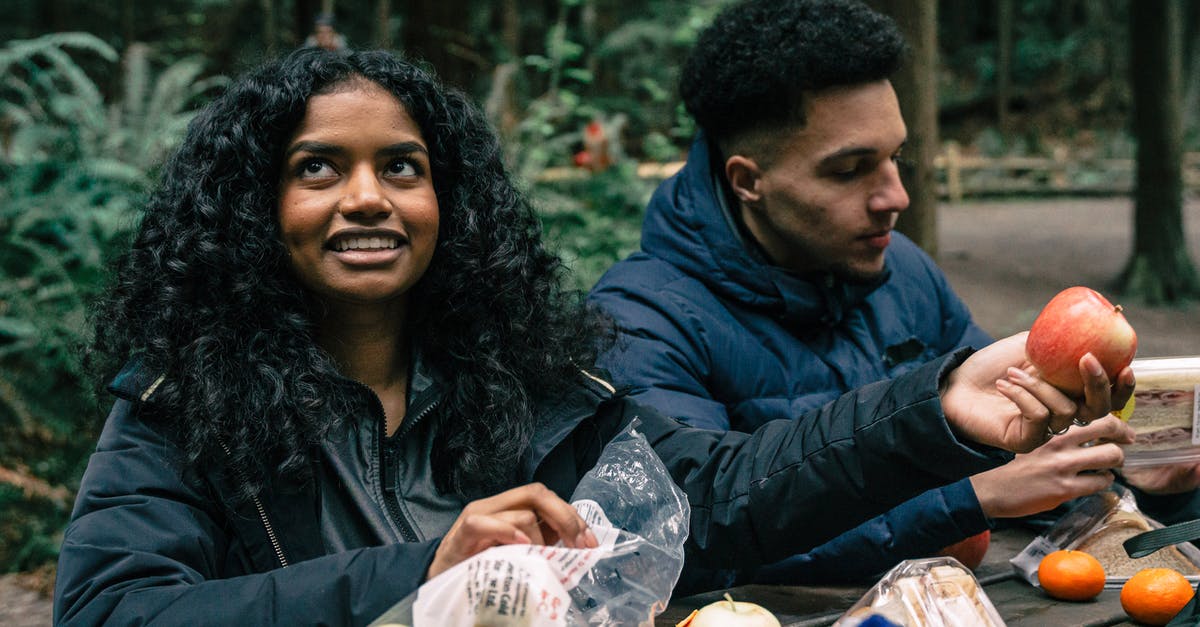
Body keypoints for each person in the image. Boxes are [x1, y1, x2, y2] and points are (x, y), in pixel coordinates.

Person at [52, 47, 1126, 626]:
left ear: (450, 201)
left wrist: (934, 409)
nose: (369, 197)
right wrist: (427, 572)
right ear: (255, 205)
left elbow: (711, 494)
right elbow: (112, 612)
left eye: (405, 167)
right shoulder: (181, 400)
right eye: (319, 167)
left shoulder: (522, 378)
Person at [588, 0, 1160, 588]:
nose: (895, 196)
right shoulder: (638, 324)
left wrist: (1132, 467)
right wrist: (964, 497)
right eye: (850, 170)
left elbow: (1021, 443)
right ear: (748, 181)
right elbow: (678, 540)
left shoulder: (902, 271)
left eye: (895, 159)